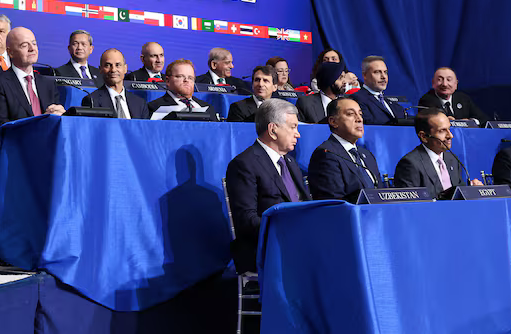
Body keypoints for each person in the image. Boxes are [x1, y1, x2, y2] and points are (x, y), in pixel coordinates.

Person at [224, 99, 309, 274]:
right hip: (266, 249)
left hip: (298, 242)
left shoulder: (291, 162)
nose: (298, 134)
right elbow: (246, 221)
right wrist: (290, 229)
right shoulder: (244, 164)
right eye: (293, 127)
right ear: (273, 130)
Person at [0, 27, 66, 177]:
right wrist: (41, 122)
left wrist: (62, 117)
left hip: (49, 156)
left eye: (34, 43)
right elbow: (0, 127)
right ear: (10, 52)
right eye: (24, 45)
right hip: (15, 159)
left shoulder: (47, 84)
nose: (32, 48)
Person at [393, 108, 482, 197]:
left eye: (449, 129)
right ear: (424, 136)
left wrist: (470, 189)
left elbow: (456, 193)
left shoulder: (452, 159)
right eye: (442, 131)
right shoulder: (410, 164)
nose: (450, 135)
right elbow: (411, 202)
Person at [309, 97, 385, 199]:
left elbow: (380, 195)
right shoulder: (326, 154)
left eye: (360, 114)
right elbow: (334, 201)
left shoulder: (367, 155)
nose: (359, 119)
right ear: (333, 121)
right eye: (350, 114)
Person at [81, 48, 150, 119]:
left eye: (118, 65)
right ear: (100, 69)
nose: (113, 70)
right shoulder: (92, 101)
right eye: (108, 65)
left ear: (125, 68)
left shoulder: (140, 103)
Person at [147, 59, 216, 119]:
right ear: (167, 81)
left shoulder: (207, 108)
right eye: (180, 76)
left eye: (190, 78)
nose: (186, 80)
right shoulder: (154, 107)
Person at [416, 67, 488, 123]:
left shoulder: (463, 98)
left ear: (456, 84)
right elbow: (427, 122)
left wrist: (470, 122)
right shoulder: (426, 100)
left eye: (449, 80)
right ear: (433, 83)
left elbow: (483, 119)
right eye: (440, 79)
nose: (444, 84)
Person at [349, 55, 406, 125]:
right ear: (365, 75)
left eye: (385, 72)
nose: (383, 77)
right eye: (377, 72)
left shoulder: (395, 106)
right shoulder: (356, 100)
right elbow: (368, 124)